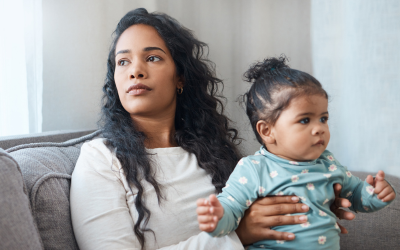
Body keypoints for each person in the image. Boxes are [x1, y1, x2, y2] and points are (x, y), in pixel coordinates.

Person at [70, 8, 355, 250]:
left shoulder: (213, 152)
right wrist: (236, 235)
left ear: (180, 77)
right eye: (123, 61)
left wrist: (310, 204)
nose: (135, 71)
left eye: (153, 57)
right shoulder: (100, 160)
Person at [196, 56, 396, 249]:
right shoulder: (254, 169)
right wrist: (217, 218)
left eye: (323, 119)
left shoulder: (328, 163)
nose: (319, 128)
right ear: (267, 131)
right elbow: (231, 213)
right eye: (305, 120)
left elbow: (358, 196)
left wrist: (376, 195)